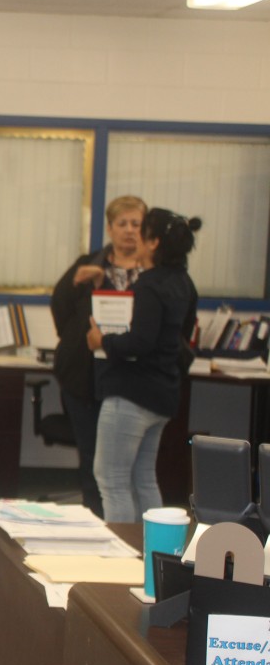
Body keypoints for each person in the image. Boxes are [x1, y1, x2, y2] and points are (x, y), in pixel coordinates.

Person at [87, 208, 200, 522]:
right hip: (163, 393)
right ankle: (153, 555)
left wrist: (102, 341)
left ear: (153, 243)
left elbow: (139, 342)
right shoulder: (184, 283)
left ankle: (125, 559)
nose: (134, 235)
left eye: (142, 231)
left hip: (132, 395)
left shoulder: (149, 286)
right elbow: (183, 336)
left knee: (111, 478)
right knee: (142, 478)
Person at [50, 195, 146, 516]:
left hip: (133, 382)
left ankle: (126, 528)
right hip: (84, 380)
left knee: (132, 467)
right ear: (110, 228)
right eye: (123, 224)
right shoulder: (89, 264)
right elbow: (61, 310)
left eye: (137, 224)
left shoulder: (154, 274)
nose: (130, 231)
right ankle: (94, 521)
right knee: (92, 460)